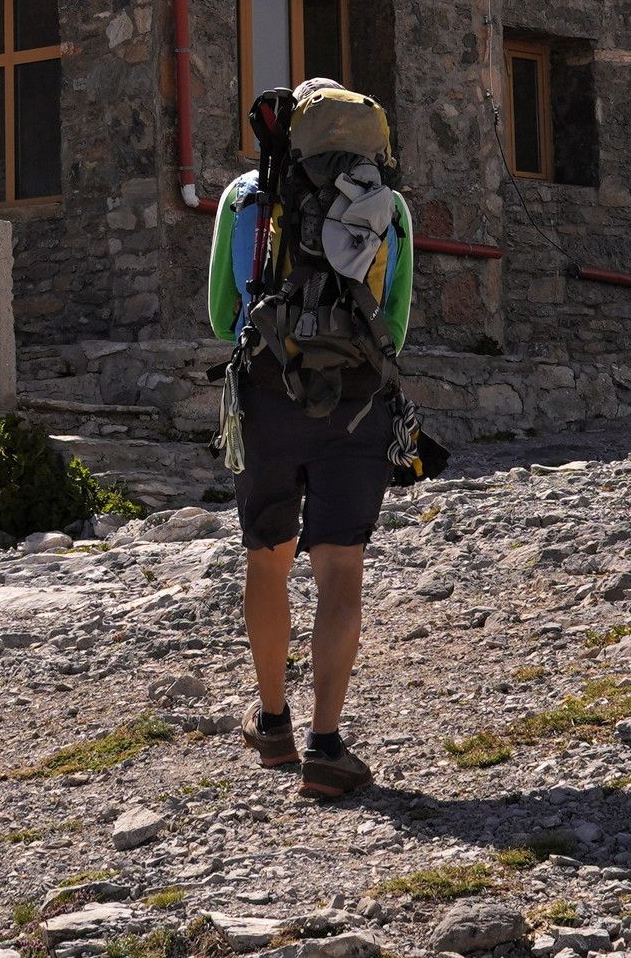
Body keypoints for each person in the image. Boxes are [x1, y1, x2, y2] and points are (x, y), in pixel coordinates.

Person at [206, 79, 415, 802]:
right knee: (340, 569)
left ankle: (272, 724)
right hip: (355, 405)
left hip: (266, 397)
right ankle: (327, 747)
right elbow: (396, 323)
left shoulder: (244, 198)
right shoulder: (390, 207)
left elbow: (221, 315)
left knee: (267, 560)